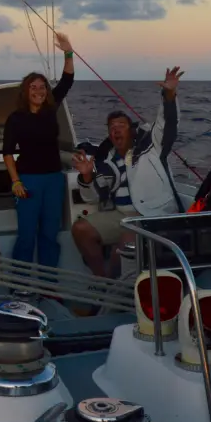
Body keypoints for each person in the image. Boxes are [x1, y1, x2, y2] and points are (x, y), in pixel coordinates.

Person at [72, 67, 185, 278]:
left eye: (121, 125)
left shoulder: (152, 147)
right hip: (122, 216)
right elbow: (92, 196)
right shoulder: (107, 160)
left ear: (131, 130)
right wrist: (87, 176)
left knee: (125, 242)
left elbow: (168, 123)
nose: (116, 129)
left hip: (152, 214)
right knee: (80, 229)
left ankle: (114, 290)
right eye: (111, 127)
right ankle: (102, 279)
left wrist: (169, 95)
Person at [2, 32, 75, 271]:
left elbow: (66, 81)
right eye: (33, 87)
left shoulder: (50, 110)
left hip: (53, 179)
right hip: (28, 181)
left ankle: (49, 286)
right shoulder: (15, 119)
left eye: (42, 87)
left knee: (49, 235)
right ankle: (19, 284)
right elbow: (7, 153)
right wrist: (15, 181)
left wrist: (68, 52)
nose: (39, 91)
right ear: (26, 91)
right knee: (26, 235)